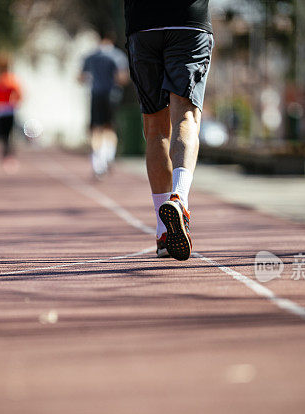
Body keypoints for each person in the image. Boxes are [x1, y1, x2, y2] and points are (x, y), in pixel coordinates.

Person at [124, 0, 213, 260]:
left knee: (155, 128)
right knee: (185, 116)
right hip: (188, 21)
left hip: (143, 25)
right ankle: (179, 199)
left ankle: (164, 232)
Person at [79, 30, 128, 179]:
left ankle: (97, 163)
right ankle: (108, 157)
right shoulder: (117, 55)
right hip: (111, 96)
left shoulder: (90, 56)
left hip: (96, 94)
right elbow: (122, 78)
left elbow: (81, 77)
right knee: (109, 127)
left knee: (96, 128)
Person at [0, 54, 23, 166]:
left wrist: (12, 102)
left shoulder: (4, 80)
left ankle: (7, 153)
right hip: (2, 110)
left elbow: (19, 93)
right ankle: (6, 152)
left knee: (5, 133)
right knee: (4, 134)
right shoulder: (2, 80)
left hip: (4, 110)